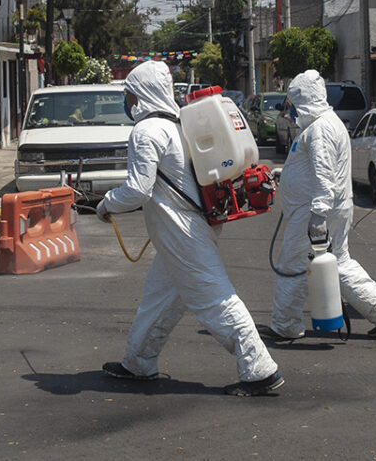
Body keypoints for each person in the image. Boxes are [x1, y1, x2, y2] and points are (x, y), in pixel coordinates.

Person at [95, 60, 283, 397]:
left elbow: (138, 190)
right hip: (190, 225)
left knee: (215, 298)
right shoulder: (178, 124)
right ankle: (138, 361)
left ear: (141, 94)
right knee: (159, 298)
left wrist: (107, 204)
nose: (129, 103)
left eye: (130, 95)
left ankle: (260, 371)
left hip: (181, 231)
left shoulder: (146, 132)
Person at [264, 70, 376, 341]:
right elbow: (314, 168)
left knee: (292, 264)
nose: (291, 110)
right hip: (327, 207)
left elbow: (324, 172)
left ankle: (286, 324)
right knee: (338, 261)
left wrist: (317, 214)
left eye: (293, 103)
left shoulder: (320, 128)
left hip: (314, 211)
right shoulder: (325, 124)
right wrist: (286, 174)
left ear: (304, 100)